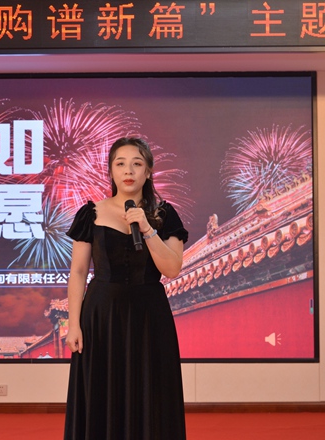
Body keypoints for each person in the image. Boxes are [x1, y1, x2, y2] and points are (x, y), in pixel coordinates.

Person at [64, 137, 188, 440]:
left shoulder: (166, 215)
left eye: (136, 164)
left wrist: (147, 229)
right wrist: (73, 324)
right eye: (120, 164)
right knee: (102, 391)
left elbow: (171, 269)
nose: (128, 171)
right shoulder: (91, 213)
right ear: (111, 171)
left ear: (148, 171)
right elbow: (78, 272)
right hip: (101, 316)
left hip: (149, 317)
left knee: (151, 389)